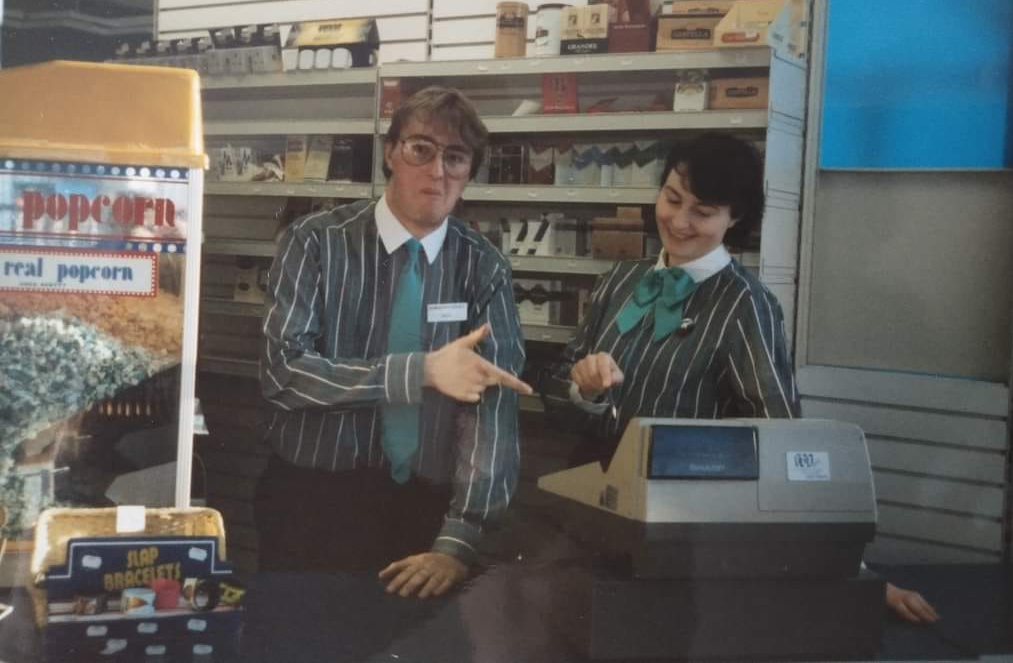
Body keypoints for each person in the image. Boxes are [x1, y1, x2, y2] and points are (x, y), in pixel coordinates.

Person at [543, 132, 939, 624]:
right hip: (592, 518)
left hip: (681, 543)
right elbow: (556, 389)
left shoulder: (746, 306)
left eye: (703, 211)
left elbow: (781, 441)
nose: (680, 221)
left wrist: (847, 565)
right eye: (672, 198)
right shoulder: (620, 281)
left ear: (736, 219)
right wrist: (584, 390)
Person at [256, 86, 531, 599]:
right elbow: (283, 373)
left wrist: (458, 540)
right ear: (390, 152)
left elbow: (493, 412)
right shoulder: (314, 243)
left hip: (424, 516)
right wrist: (422, 371)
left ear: (470, 170)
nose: (438, 171)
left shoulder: (483, 266)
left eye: (456, 157)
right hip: (312, 505)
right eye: (420, 149)